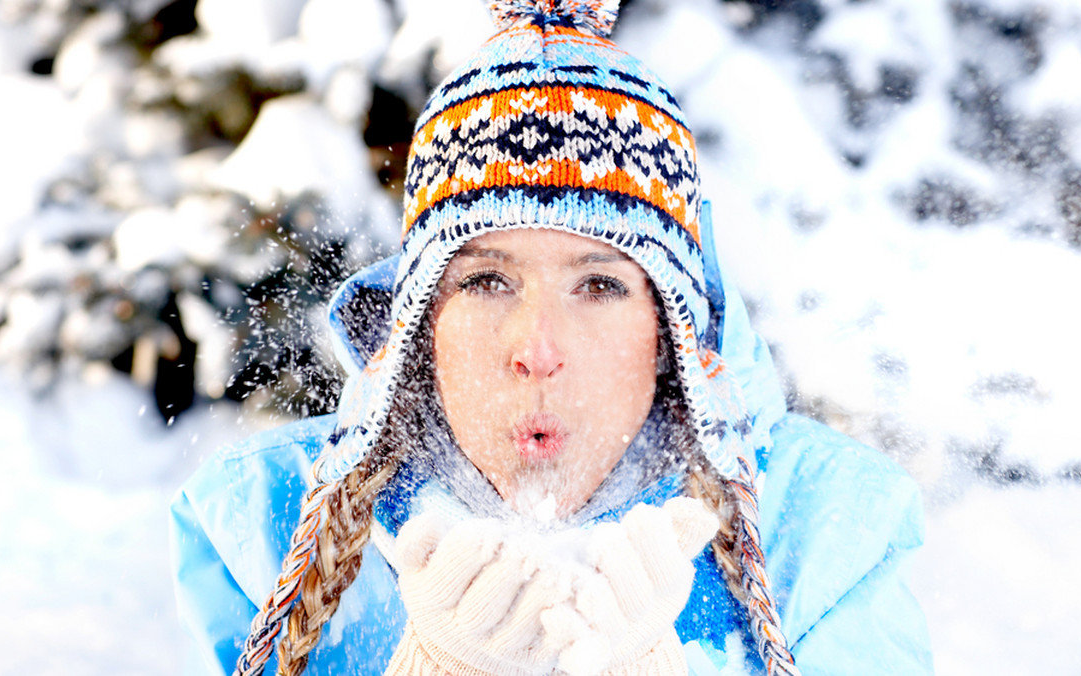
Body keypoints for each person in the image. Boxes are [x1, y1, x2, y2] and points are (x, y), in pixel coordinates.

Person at [169, 1, 933, 674]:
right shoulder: (265, 523)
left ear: (669, 328)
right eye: (486, 281)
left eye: (599, 285)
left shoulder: (824, 531)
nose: (536, 348)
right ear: (420, 319)